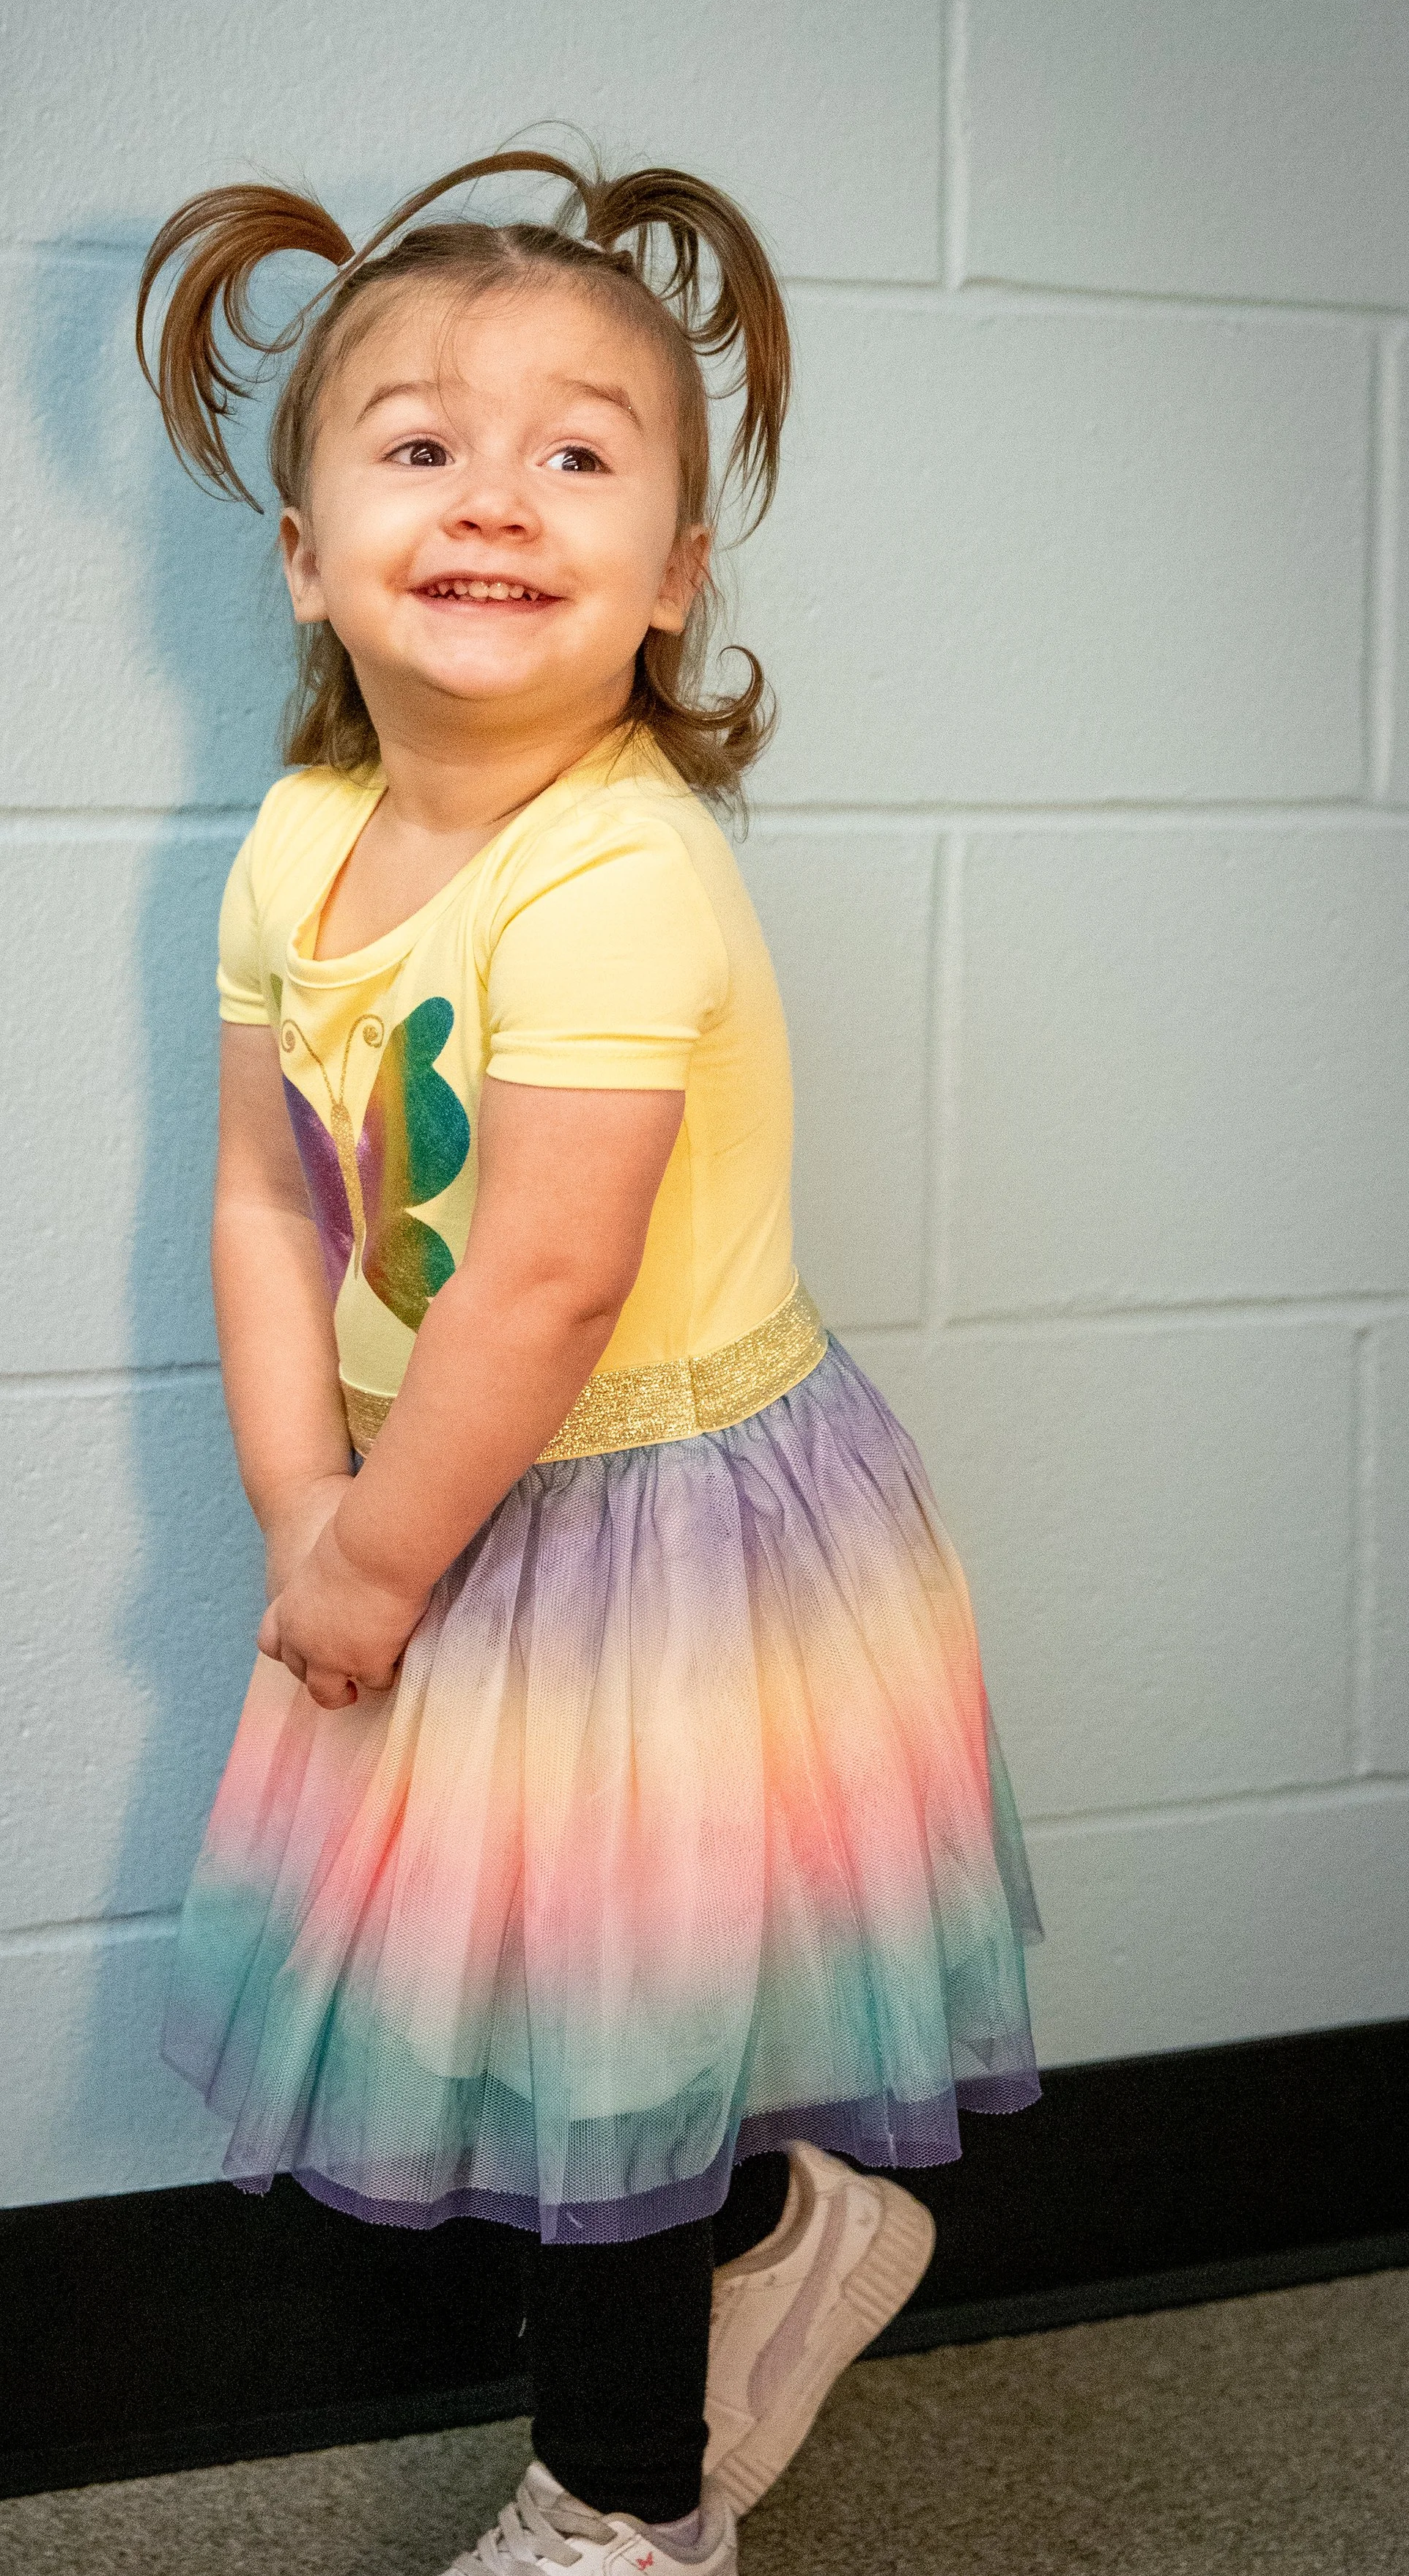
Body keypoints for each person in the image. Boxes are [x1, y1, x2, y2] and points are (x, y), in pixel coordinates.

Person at [138, 148, 1042, 2575]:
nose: (493, 494)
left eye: (577, 451)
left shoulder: (627, 869)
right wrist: (291, 1509)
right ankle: (781, 2228)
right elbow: (259, 1190)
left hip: (655, 1517)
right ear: (312, 552)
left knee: (615, 2022)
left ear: (668, 579)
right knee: (563, 2000)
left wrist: (368, 1558)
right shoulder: (298, 830)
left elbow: (539, 1284)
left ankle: (625, 2505)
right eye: (417, 441)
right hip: (443, 1496)